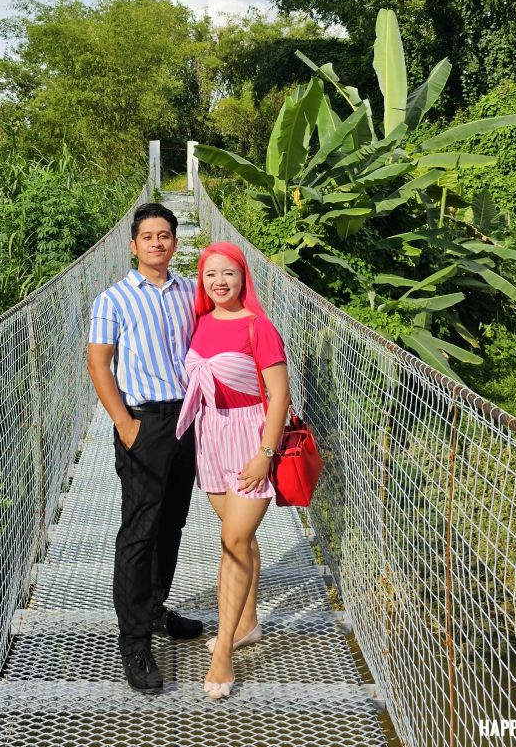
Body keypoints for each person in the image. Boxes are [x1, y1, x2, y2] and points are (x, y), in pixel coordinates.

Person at [87, 202, 204, 695]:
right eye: (148, 237)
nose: (157, 243)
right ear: (132, 245)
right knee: (139, 530)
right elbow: (98, 364)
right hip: (145, 422)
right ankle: (134, 643)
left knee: (173, 521)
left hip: (188, 420)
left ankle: (155, 611)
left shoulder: (190, 293)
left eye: (165, 235)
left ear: (175, 243)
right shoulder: (112, 300)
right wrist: (124, 424)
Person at [174, 242, 290, 700]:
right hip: (210, 437)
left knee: (233, 541)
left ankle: (223, 651)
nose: (219, 282)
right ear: (201, 282)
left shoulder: (260, 328)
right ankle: (248, 623)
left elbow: (279, 395)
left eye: (229, 274)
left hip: (250, 439)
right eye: (210, 276)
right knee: (239, 536)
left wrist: (266, 453)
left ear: (244, 278)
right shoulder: (199, 325)